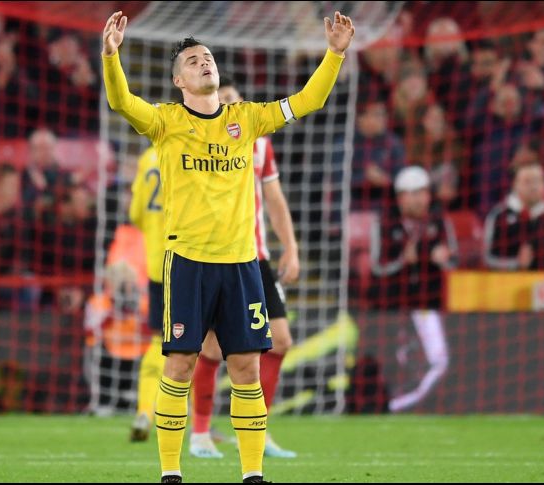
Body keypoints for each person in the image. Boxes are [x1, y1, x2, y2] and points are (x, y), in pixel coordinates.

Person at [101, 10, 353, 483]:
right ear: (178, 80)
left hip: (242, 265)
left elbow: (308, 100)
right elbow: (120, 100)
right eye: (193, 60)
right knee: (179, 363)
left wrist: (334, 54)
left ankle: (252, 474)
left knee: (246, 367)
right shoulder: (165, 122)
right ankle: (171, 471)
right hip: (188, 263)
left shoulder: (247, 118)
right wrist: (111, 57)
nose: (204, 63)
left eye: (208, 58)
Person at [189, 79, 300, 460]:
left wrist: (291, 247)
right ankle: (200, 434)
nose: (226, 103)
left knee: (280, 340)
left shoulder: (259, 144)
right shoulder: (199, 141)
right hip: (215, 255)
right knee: (212, 347)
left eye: (232, 99)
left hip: (257, 256)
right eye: (220, 99)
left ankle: (256, 431)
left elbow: (274, 198)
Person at [370, 166, 456, 412]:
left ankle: (402, 404)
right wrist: (402, 261)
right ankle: (394, 403)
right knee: (399, 360)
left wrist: (444, 259)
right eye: (412, 193)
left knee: (438, 360)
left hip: (429, 305)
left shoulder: (439, 222)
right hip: (393, 307)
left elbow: (455, 261)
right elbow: (378, 267)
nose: (419, 199)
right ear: (400, 197)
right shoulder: (385, 224)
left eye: (423, 193)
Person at [128, 146, 167, 442]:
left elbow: (135, 214)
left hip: (156, 265)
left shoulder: (147, 158)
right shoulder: (189, 146)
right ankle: (197, 425)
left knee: (158, 340)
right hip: (192, 259)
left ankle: (145, 411)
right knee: (199, 345)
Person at [484, 160, 544, 270]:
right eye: (527, 181)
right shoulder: (499, 215)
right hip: (510, 278)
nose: (534, 186)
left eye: (538, 180)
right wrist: (516, 263)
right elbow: (488, 258)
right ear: (515, 184)